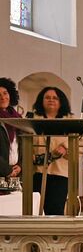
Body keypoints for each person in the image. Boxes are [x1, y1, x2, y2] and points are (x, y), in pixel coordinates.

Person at [28, 86, 72, 216]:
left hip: (59, 173)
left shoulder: (70, 121)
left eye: (55, 98)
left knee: (55, 211)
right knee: (35, 210)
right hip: (37, 172)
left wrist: (65, 147)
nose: (51, 100)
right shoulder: (32, 120)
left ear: (61, 102)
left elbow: (81, 140)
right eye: (47, 97)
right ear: (41, 101)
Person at [0, 77, 22, 179]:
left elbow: (22, 146)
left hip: (15, 174)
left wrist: (21, 166)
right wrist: (7, 170)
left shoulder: (18, 118)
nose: (3, 97)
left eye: (5, 93)